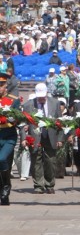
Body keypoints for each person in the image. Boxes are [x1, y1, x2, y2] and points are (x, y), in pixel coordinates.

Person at [22, 83, 63, 194]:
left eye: (43, 96)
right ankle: (38, 185)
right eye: (39, 97)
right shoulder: (28, 105)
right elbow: (22, 124)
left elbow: (60, 122)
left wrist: (60, 138)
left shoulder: (55, 103)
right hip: (35, 137)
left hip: (50, 135)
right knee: (36, 161)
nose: (41, 99)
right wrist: (23, 138)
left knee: (51, 161)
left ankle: (50, 184)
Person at [0, 72, 21, 205]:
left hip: (8, 136)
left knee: (2, 159)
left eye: (1, 85)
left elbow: (19, 119)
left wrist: (14, 119)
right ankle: (3, 190)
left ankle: (6, 186)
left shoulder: (13, 100)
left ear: (5, 86)